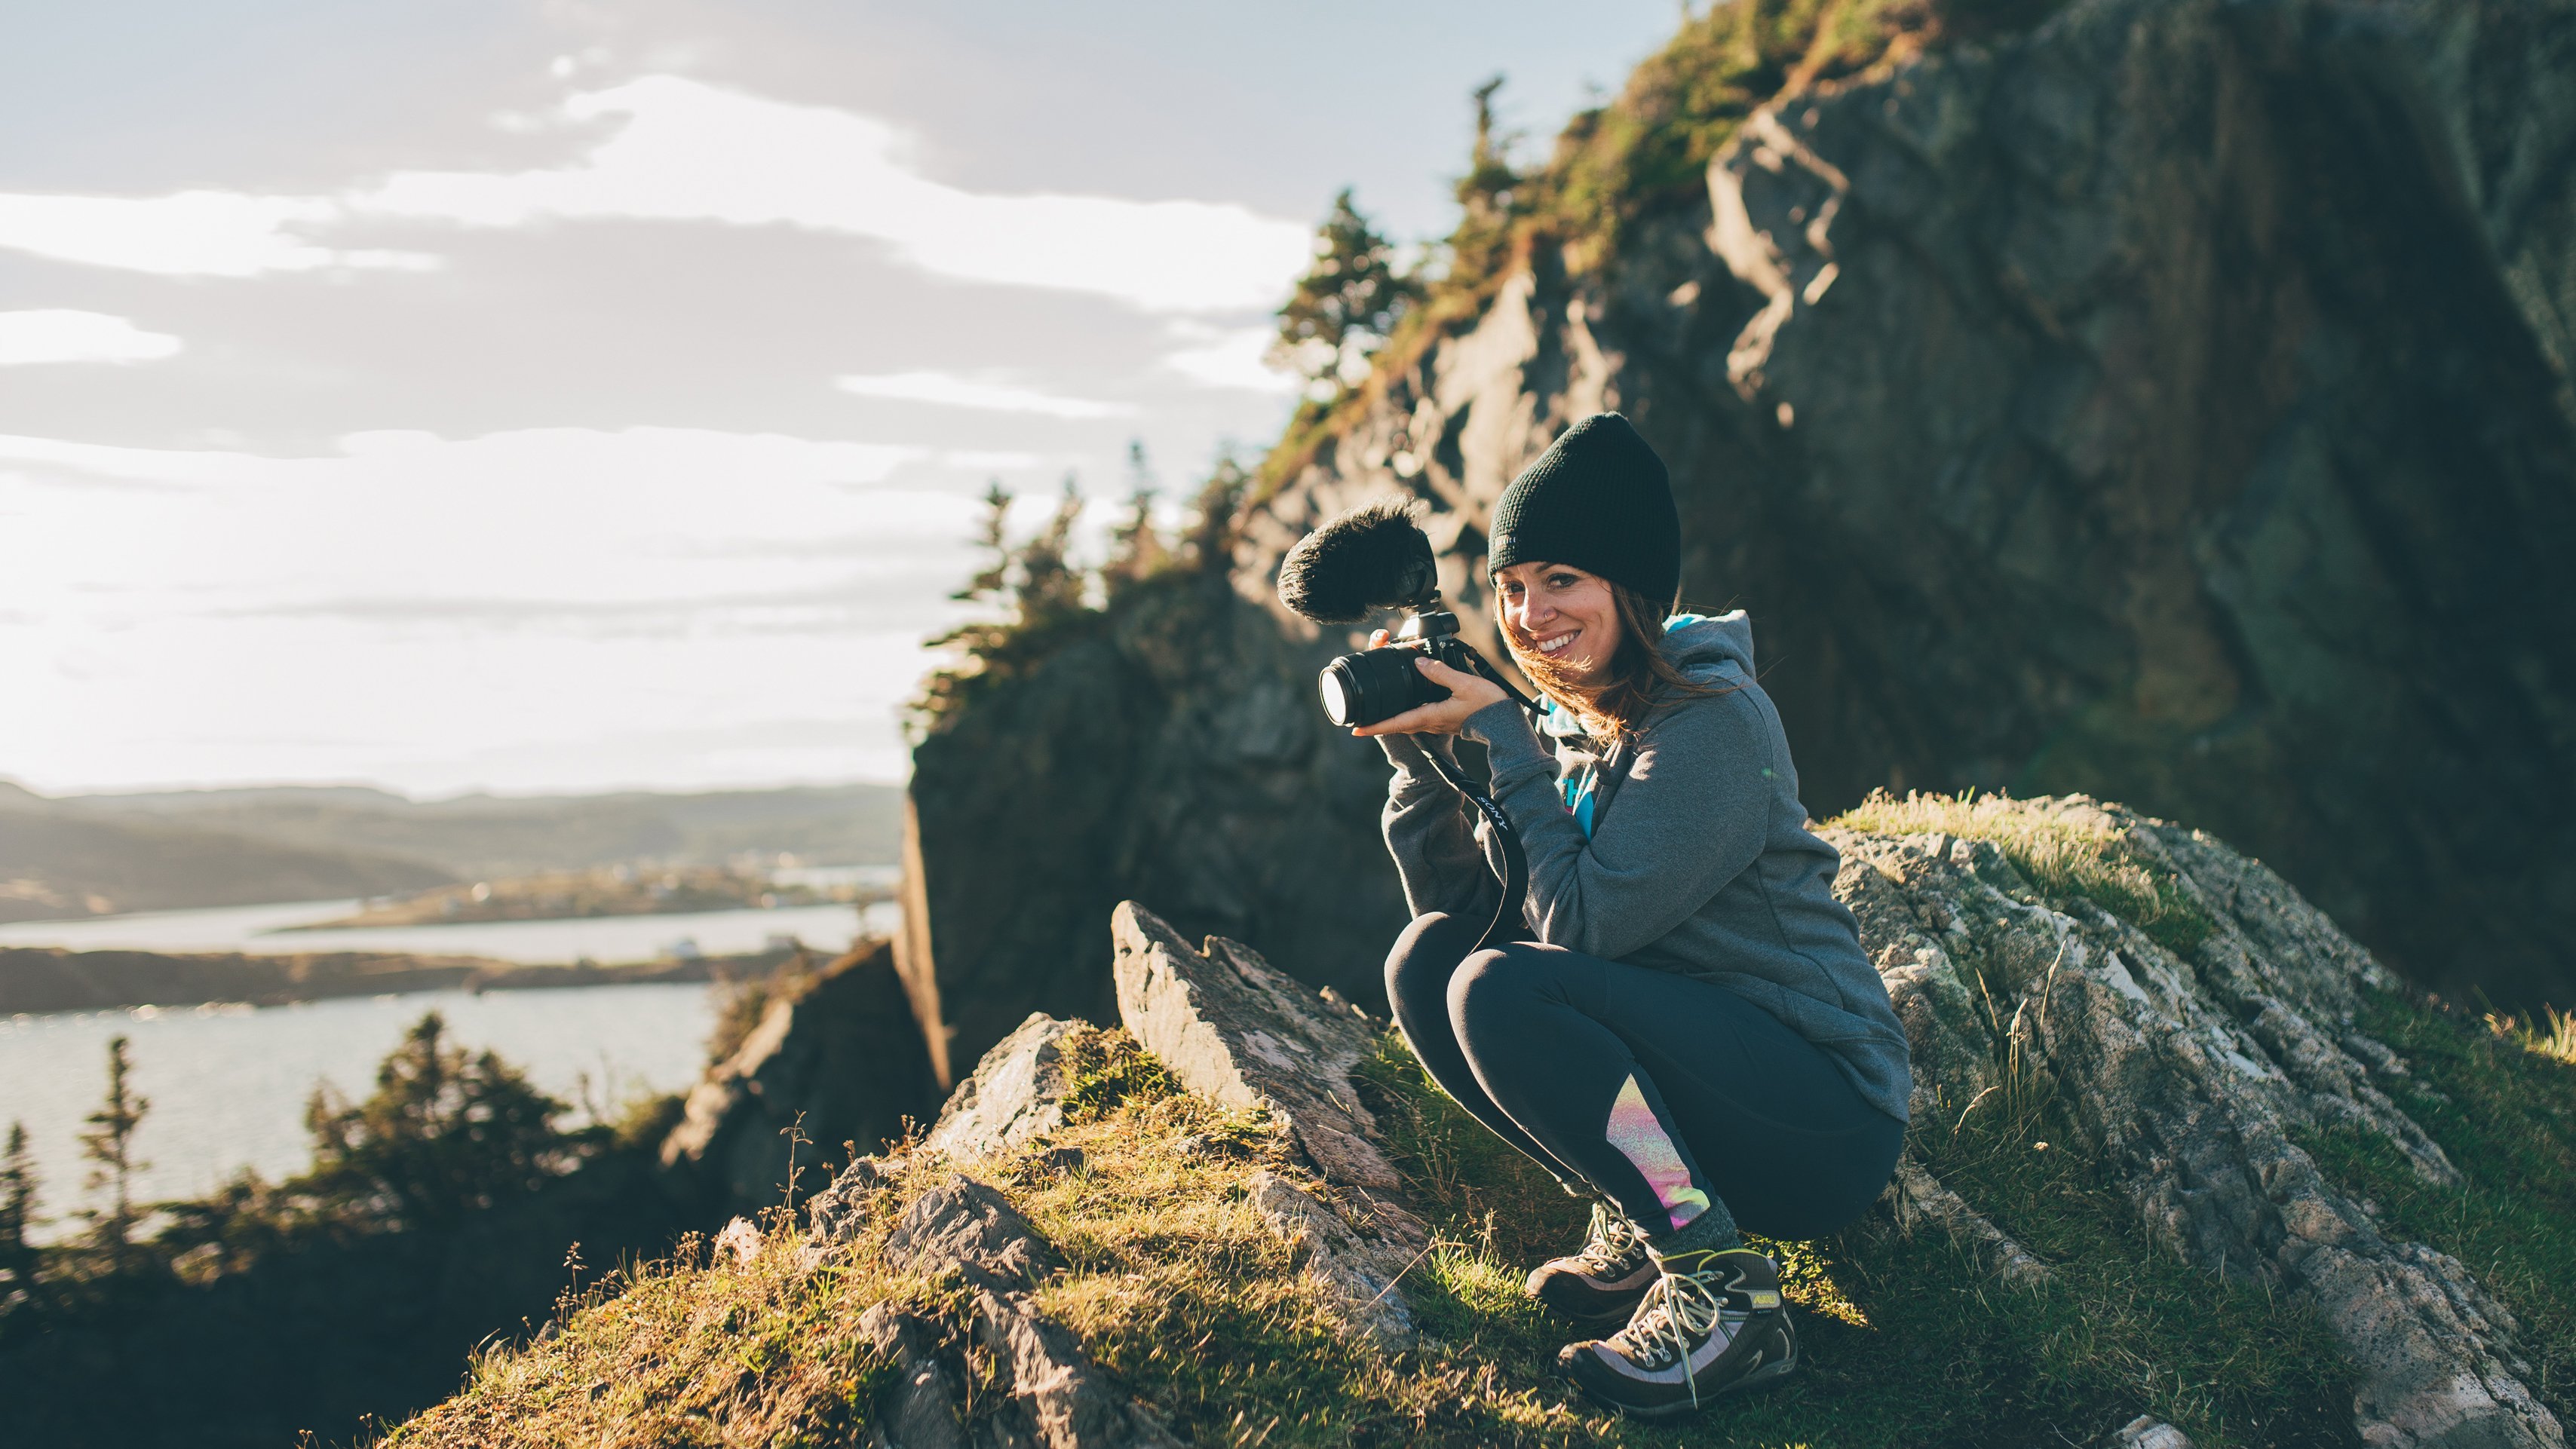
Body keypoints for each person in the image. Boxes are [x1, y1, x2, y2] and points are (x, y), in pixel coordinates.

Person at [1352, 412, 1909, 1420]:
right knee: (1431, 962)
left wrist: (1503, 738)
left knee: (1499, 986)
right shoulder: (1577, 729)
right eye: (1510, 588)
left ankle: (1724, 1293)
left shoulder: (1714, 722)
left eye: (1561, 578)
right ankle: (1648, 1206)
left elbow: (1579, 933)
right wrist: (1421, 763)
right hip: (1709, 1078)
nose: (1528, 613)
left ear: (1632, 583)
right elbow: (1475, 923)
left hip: (1821, 1112)